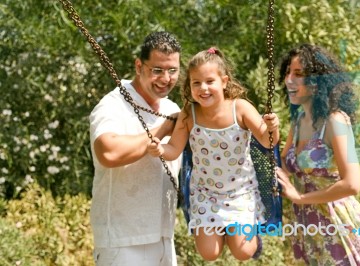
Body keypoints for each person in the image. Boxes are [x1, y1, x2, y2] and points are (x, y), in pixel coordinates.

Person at [147, 47, 280, 261]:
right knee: (209, 254)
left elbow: (267, 141)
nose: (203, 88)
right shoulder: (188, 115)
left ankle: (247, 229)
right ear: (189, 86)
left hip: (240, 191)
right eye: (196, 83)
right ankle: (227, 231)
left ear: (224, 81)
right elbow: (173, 150)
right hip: (205, 194)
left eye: (210, 81)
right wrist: (160, 149)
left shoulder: (241, 108)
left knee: (244, 252)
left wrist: (272, 127)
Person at [276, 43, 360, 265]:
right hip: (309, 231)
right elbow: (284, 162)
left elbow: (353, 184)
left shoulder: (335, 121)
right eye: (287, 72)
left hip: (341, 229)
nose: (289, 80)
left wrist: (300, 198)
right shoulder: (298, 120)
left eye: (299, 74)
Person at [89, 31, 182, 266]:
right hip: (123, 242)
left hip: (164, 239)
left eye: (172, 71)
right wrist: (163, 130)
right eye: (157, 70)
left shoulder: (172, 106)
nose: (166, 78)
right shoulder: (113, 104)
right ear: (139, 66)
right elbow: (108, 153)